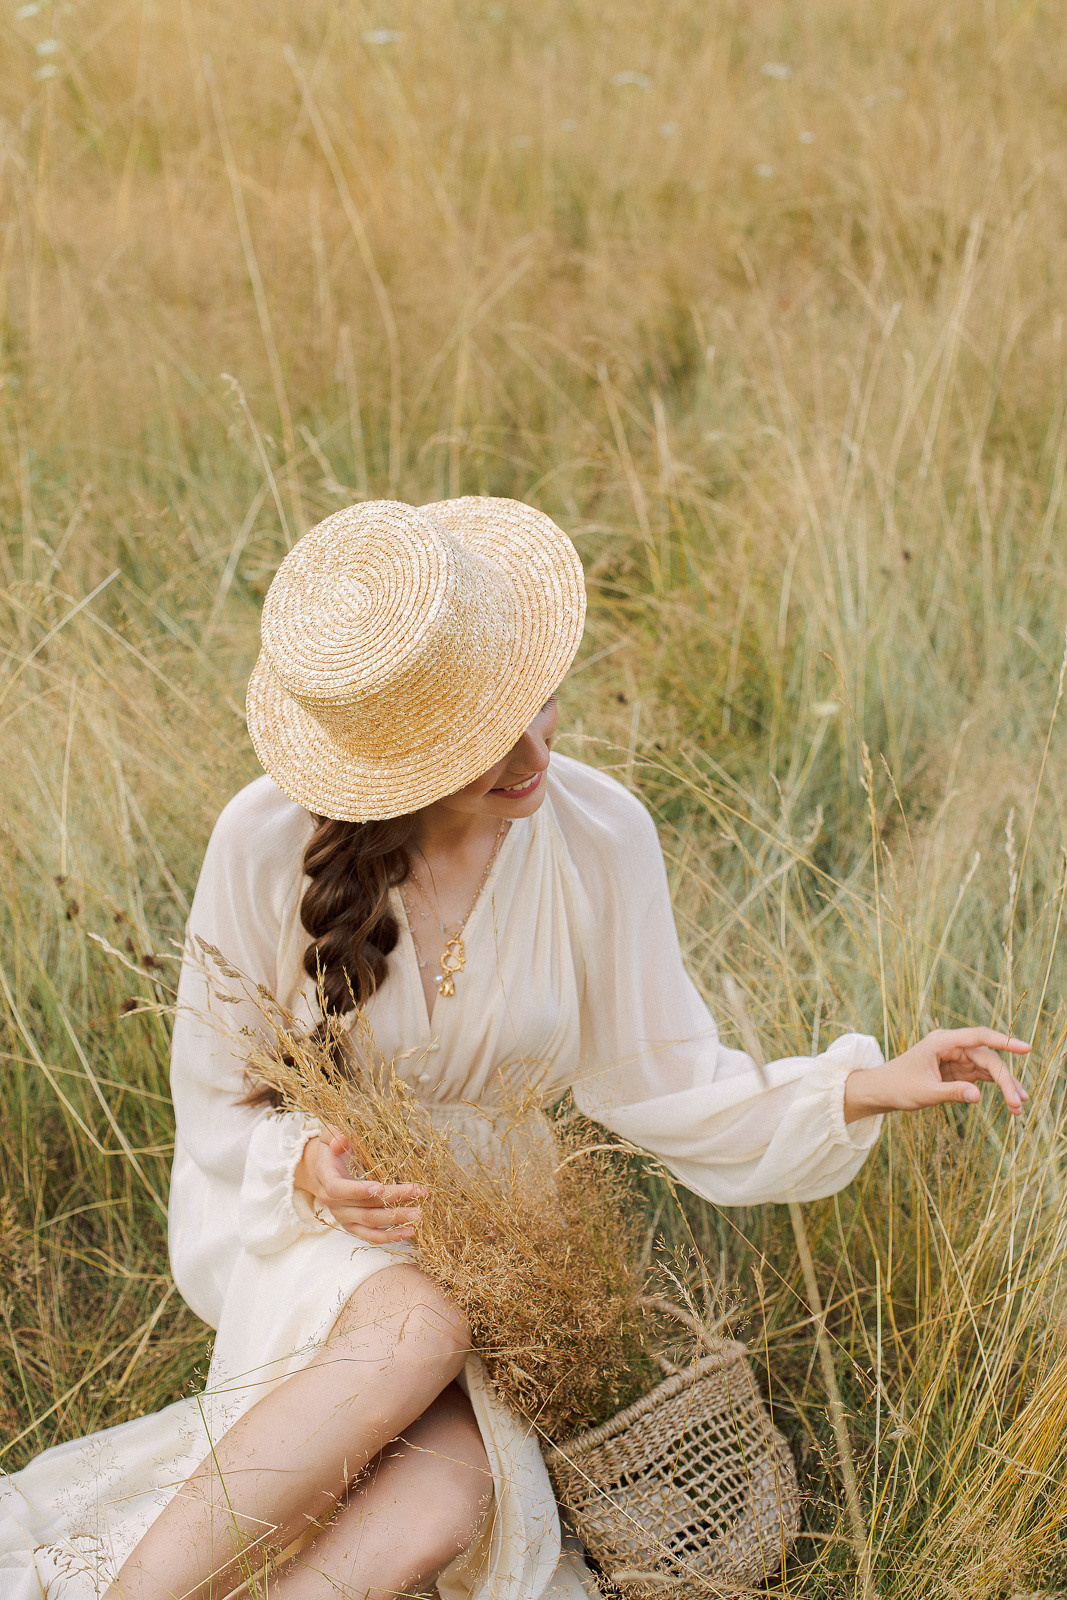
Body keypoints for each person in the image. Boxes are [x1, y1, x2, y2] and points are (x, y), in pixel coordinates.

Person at [0, 497, 1029, 1600]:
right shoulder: (265, 838)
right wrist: (307, 1167)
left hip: (493, 1228)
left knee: (438, 1513)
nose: (536, 748)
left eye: (535, 697)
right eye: (485, 734)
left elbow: (664, 1076)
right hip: (308, 1219)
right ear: (394, 749)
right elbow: (211, 1100)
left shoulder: (599, 835)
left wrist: (866, 1085)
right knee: (416, 1318)